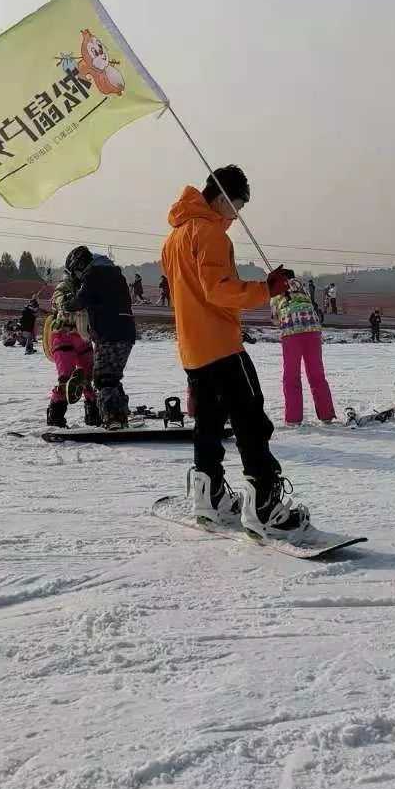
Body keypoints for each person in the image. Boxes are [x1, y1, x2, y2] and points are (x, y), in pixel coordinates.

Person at [160, 164, 310, 538]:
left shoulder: (173, 238)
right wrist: (266, 289)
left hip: (192, 348)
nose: (239, 214)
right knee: (250, 419)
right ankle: (265, 505)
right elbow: (218, 290)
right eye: (239, 204)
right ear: (224, 197)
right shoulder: (210, 233)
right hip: (221, 344)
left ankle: (207, 495)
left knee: (209, 422)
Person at [60, 246, 136, 427]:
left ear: (80, 265)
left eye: (76, 272)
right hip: (126, 331)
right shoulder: (114, 273)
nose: (76, 277)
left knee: (103, 378)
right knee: (112, 376)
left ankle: (113, 417)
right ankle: (119, 413)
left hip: (109, 332)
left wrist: (66, 305)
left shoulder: (94, 274)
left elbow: (82, 299)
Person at [270, 277, 336, 426]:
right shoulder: (302, 289)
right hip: (313, 331)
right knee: (316, 374)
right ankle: (327, 416)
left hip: (291, 333)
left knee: (291, 376)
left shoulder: (275, 294)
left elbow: (274, 319)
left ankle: (293, 419)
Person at [45, 301, 96, 427]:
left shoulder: (88, 287)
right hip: (63, 335)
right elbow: (59, 302)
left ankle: (94, 414)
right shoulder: (64, 288)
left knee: (88, 377)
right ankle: (56, 417)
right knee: (66, 379)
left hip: (83, 337)